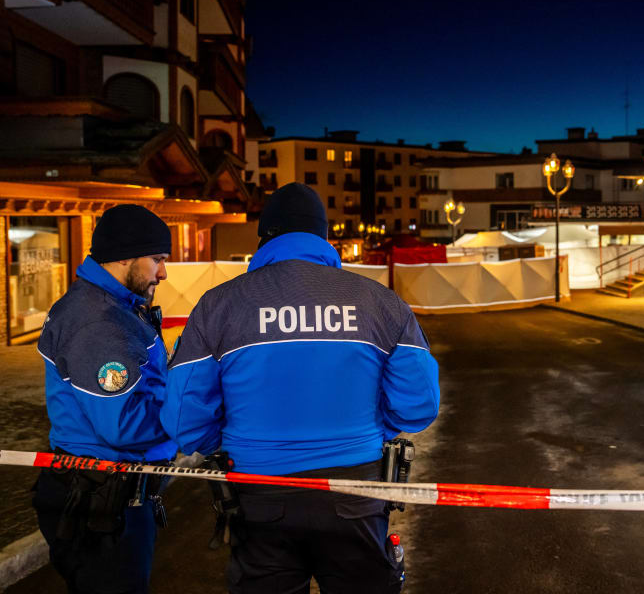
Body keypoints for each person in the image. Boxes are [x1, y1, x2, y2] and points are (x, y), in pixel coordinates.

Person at [162, 182, 440, 593]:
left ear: (266, 237)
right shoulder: (380, 302)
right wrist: (369, 431)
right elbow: (419, 405)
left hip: (258, 493)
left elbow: (183, 417)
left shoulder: (219, 305)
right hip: (357, 492)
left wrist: (235, 442)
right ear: (323, 238)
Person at [32, 204, 176, 594]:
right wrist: (189, 414)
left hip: (105, 494)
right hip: (104, 503)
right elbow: (124, 426)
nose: (163, 273)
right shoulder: (99, 321)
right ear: (125, 255)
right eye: (157, 259)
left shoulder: (112, 307)